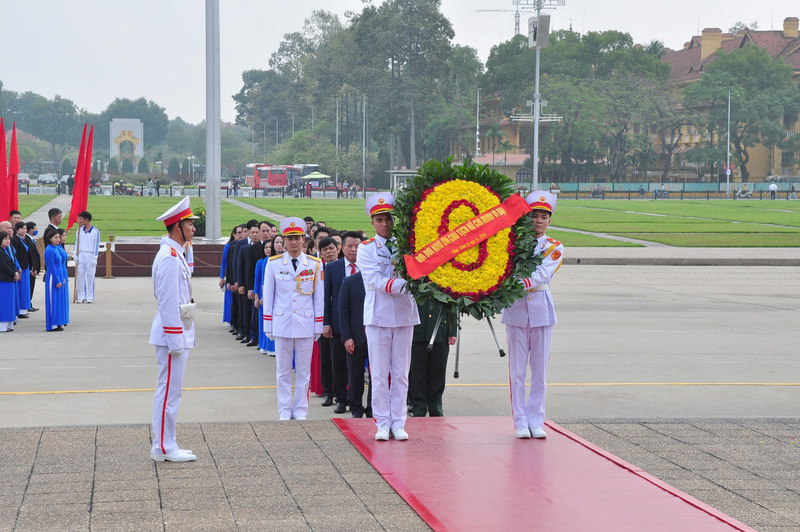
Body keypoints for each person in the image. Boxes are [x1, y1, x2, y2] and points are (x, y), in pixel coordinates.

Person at [501, 190, 564, 440]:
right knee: (517, 372)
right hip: (516, 311)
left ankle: (536, 420)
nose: (538, 221)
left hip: (541, 310)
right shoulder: (511, 245)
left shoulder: (555, 248)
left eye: (543, 216)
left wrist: (513, 283)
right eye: (534, 216)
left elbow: (541, 275)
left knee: (539, 372)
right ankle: (520, 421)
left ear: (549, 220)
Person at [357, 193, 420, 441]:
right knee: (380, 373)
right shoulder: (366, 248)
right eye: (380, 219)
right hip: (378, 314)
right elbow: (374, 279)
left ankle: (399, 421)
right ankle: (382, 421)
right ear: (372, 222)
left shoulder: (408, 245)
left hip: (404, 314)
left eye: (389, 219)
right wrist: (411, 284)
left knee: (402, 372)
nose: (385, 224)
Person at [149, 196, 199, 462]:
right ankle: (164, 447)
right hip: (172, 335)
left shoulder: (175, 253)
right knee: (168, 392)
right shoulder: (169, 258)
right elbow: (168, 303)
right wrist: (176, 341)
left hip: (176, 333)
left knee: (171, 391)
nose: (193, 228)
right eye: (190, 223)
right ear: (178, 226)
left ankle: (165, 443)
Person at [262, 217, 324, 420]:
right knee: (282, 372)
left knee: (304, 373)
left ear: (304, 240)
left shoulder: (315, 264)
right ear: (284, 241)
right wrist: (268, 324)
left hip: (305, 324)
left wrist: (318, 326)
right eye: (289, 238)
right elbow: (269, 296)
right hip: (282, 323)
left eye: (297, 238)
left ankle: (300, 410)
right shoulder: (273, 263)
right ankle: (284, 410)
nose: (294, 242)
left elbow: (319, 297)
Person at [409, 300, 457, 417]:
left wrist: (452, 330)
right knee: (417, 375)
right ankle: (419, 409)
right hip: (418, 330)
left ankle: (435, 407)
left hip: (440, 329)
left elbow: (452, 301)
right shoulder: (413, 280)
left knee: (438, 374)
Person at [321, 235, 352, 414]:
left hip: (358, 322)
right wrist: (326, 322)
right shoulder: (333, 268)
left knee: (354, 365)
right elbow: (326, 297)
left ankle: (353, 398)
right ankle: (340, 399)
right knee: (337, 363)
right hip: (337, 321)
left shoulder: (362, 265)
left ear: (339, 248)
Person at [339, 270, 371, 417]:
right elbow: (343, 311)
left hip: (376, 336)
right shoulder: (349, 281)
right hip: (356, 336)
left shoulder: (379, 281)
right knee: (355, 375)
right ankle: (356, 408)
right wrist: (347, 337)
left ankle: (373, 407)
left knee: (376, 376)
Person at [44, 230, 69, 332]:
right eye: (55, 237)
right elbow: (52, 267)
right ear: (50, 239)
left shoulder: (56, 248)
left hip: (59, 275)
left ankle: (59, 321)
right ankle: (53, 324)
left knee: (59, 300)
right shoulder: (49, 250)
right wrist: (57, 280)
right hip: (52, 277)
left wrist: (62, 278)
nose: (58, 239)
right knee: (53, 300)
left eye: (59, 237)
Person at [74, 211, 100, 303]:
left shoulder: (95, 231)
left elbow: (96, 245)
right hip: (81, 254)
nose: (79, 221)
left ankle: (90, 295)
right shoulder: (79, 230)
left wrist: (95, 257)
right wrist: (75, 254)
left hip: (90, 254)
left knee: (90, 275)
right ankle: (81, 295)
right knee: (80, 275)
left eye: (80, 219)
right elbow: (77, 242)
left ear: (86, 220)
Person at [220, 225, 243, 330]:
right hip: (230, 277)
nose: (240, 234)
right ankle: (229, 319)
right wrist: (222, 277)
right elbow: (225, 262)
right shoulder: (229, 246)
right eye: (238, 232)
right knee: (230, 300)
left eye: (242, 232)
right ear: (233, 234)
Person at [11, 222, 33, 320]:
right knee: (21, 289)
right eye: (22, 229)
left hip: (25, 266)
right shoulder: (15, 240)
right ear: (17, 229)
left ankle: (24, 308)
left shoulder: (23, 239)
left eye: (25, 229)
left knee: (25, 289)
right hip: (20, 267)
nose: (24, 231)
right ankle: (20, 310)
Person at [0, 232, 21, 332]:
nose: (8, 240)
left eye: (8, 239)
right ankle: (3, 326)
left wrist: (16, 273)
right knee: (4, 303)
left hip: (10, 280)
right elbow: (3, 266)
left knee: (10, 303)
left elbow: (12, 263)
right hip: (3, 281)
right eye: (5, 239)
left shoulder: (6, 250)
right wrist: (13, 273)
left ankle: (9, 324)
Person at [24, 221, 40, 311]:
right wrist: (33, 268)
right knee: (29, 286)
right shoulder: (27, 240)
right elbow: (31, 256)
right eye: (35, 228)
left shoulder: (31, 240)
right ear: (30, 230)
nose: (36, 230)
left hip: (33, 269)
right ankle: (28, 304)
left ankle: (29, 303)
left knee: (31, 286)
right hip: (31, 269)